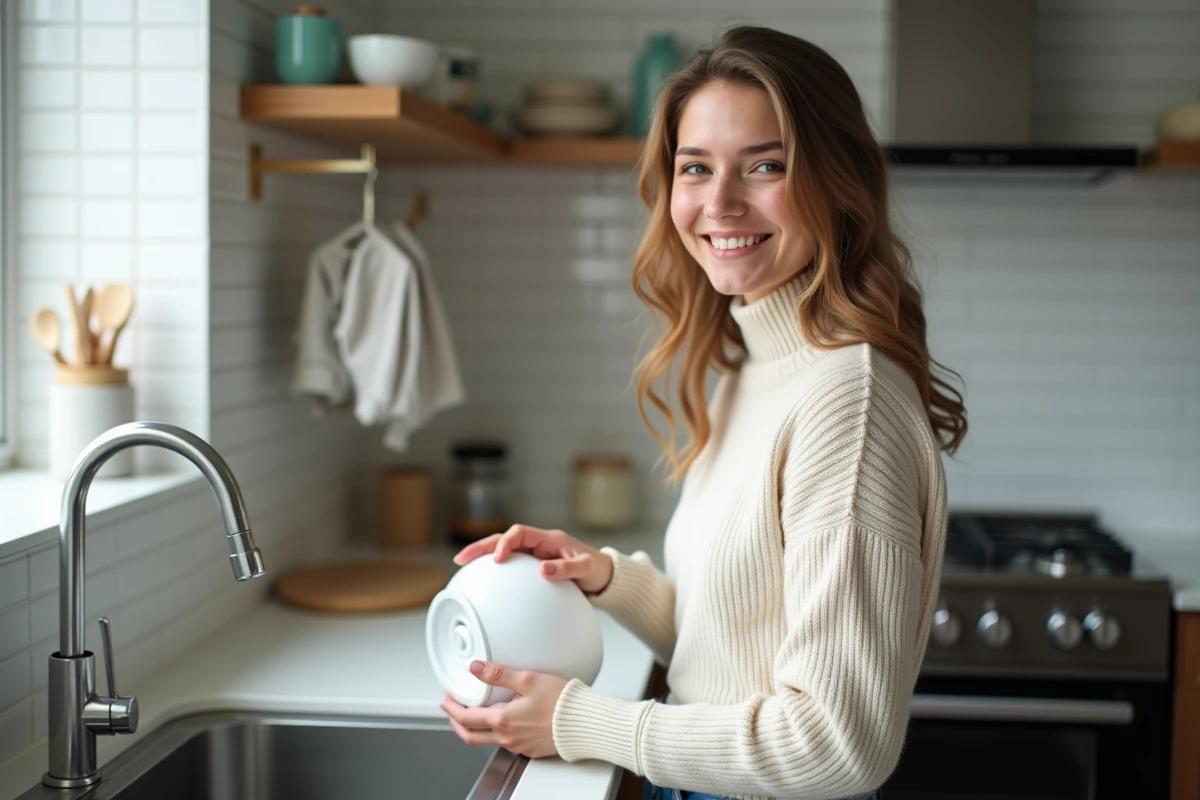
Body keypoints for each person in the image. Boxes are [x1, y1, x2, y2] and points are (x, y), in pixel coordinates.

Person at [440, 25, 967, 800]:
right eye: (696, 167)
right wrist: (603, 577)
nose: (720, 202)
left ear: (837, 181)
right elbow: (730, 643)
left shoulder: (846, 403)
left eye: (765, 165)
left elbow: (838, 743)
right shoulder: (754, 368)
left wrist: (581, 722)